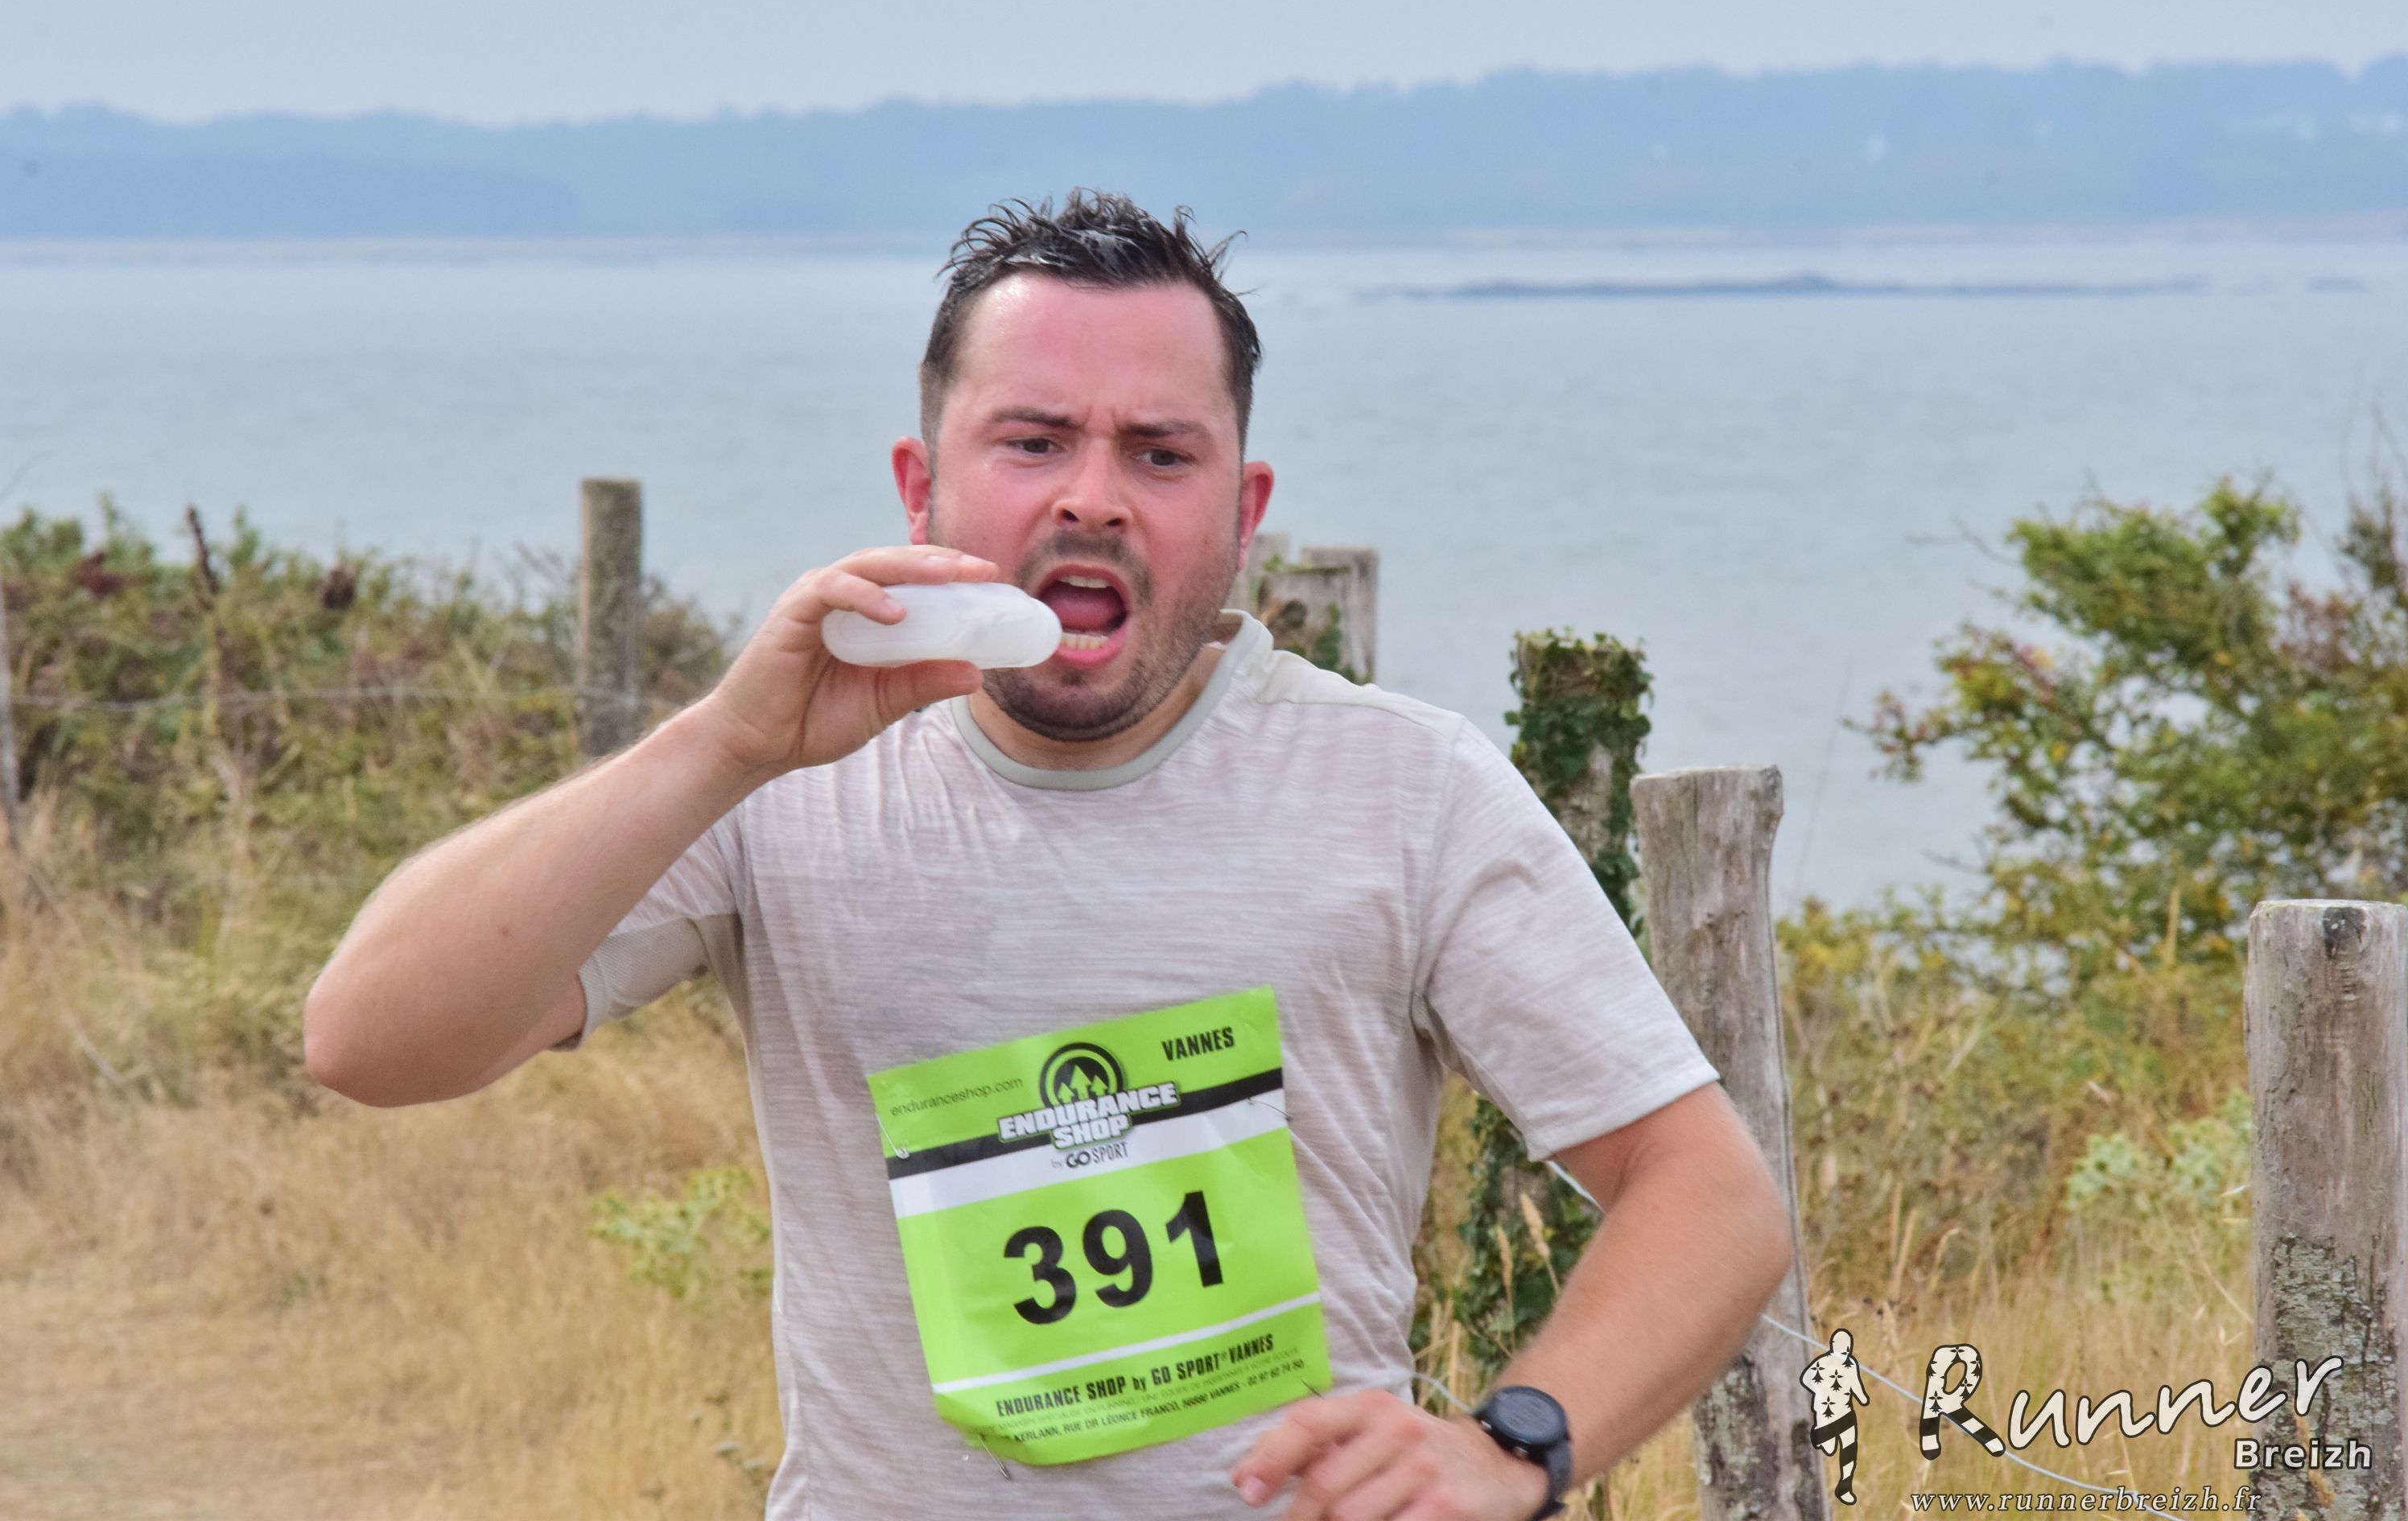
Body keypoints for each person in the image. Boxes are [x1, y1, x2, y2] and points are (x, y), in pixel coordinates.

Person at [305, 189, 1796, 1520]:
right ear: (921, 486)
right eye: (1032, 442)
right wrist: (722, 744)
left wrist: (1512, 1446)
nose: (1093, 495)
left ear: (1244, 513)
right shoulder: (782, 779)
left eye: (1161, 452)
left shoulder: (1405, 789)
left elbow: (1710, 1195)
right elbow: (370, 1040)